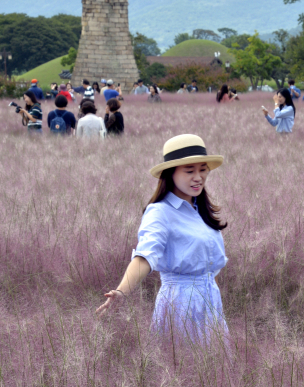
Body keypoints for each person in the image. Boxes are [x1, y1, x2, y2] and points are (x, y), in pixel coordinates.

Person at [96, 133, 228, 345]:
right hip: (180, 304)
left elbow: (208, 264)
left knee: (214, 371)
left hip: (211, 301)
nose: (198, 177)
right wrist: (122, 291)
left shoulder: (200, 210)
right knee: (185, 367)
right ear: (171, 173)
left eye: (203, 170)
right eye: (189, 171)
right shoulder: (160, 212)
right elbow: (145, 255)